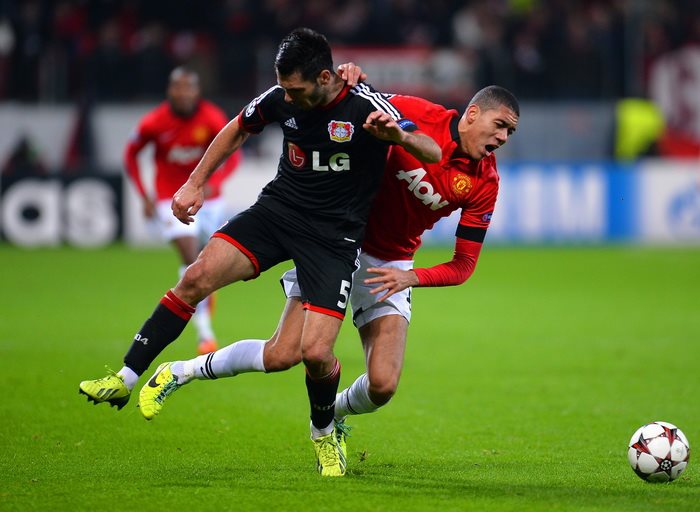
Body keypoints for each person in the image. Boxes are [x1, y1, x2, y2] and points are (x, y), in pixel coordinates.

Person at [79, 28, 441, 478]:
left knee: (313, 353)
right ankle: (125, 378)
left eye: (296, 89)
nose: (287, 98)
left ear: (324, 77)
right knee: (195, 277)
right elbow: (237, 128)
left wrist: (399, 136)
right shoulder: (281, 98)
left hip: (333, 239)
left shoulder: (365, 106)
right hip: (278, 213)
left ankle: (323, 433)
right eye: (283, 87)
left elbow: (431, 149)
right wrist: (194, 182)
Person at [136, 67, 520, 470]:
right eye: (500, 125)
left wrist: (411, 276)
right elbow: (352, 99)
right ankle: (181, 371)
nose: (503, 138)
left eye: (510, 132)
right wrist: (350, 74)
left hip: (388, 264)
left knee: (383, 385)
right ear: (472, 114)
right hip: (331, 240)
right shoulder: (416, 113)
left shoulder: (485, 181)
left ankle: (330, 414)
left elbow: (463, 265)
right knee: (282, 355)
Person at [124, 66, 241, 355]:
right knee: (191, 258)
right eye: (178, 87)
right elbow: (131, 154)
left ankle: (203, 312)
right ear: (170, 90)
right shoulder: (154, 122)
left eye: (189, 87)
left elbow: (235, 151)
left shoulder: (212, 117)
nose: (184, 93)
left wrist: (216, 182)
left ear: (197, 91)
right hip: (171, 198)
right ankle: (205, 333)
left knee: (207, 263)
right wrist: (144, 195)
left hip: (209, 201)